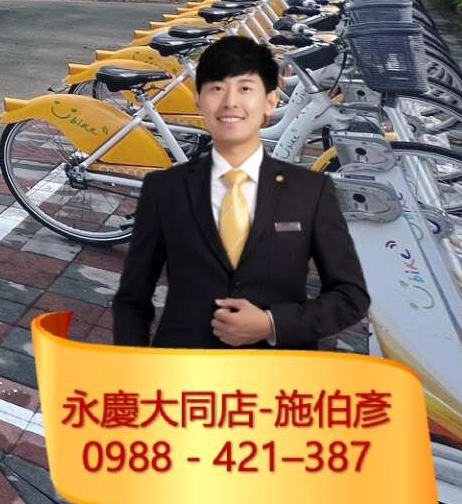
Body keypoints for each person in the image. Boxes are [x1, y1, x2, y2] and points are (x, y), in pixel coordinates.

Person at [113, 35, 369, 349]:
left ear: (270, 101)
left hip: (279, 371)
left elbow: (351, 296)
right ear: (198, 101)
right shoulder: (163, 189)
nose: (230, 102)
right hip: (185, 367)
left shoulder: (312, 191)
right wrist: (135, 365)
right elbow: (132, 298)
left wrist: (272, 324)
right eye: (216, 89)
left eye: (245, 89)